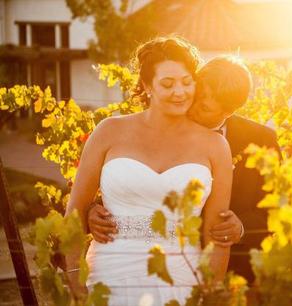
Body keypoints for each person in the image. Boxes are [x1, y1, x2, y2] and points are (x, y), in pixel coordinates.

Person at [64, 36, 233, 306]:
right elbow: (73, 214)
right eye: (167, 84)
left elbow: (218, 234)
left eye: (187, 82)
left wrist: (210, 294)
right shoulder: (109, 131)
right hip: (108, 275)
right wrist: (75, 282)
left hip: (182, 280)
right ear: (146, 85)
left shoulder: (216, 146)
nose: (180, 92)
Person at [88, 55, 280, 284]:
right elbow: (127, 185)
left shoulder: (261, 141)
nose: (192, 105)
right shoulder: (152, 122)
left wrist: (240, 228)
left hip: (232, 275)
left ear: (228, 112)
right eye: (196, 94)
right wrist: (91, 210)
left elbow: (278, 210)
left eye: (205, 107)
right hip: (134, 263)